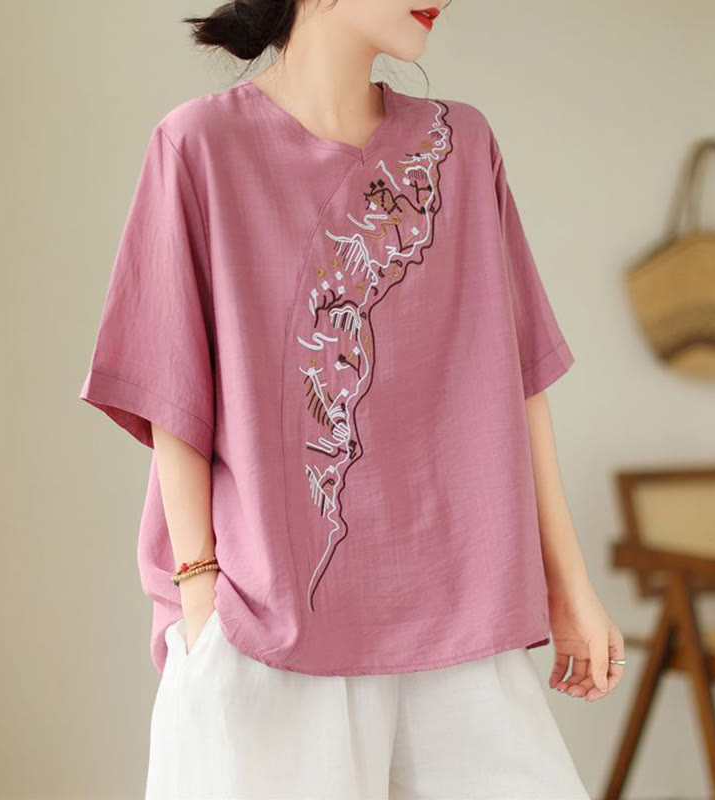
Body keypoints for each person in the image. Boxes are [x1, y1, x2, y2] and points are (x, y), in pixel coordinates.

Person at [78, 0, 625, 797]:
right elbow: (172, 391)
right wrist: (201, 603)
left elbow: (519, 380)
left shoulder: (461, 145)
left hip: (461, 620)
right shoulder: (199, 145)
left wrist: (570, 588)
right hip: (269, 627)